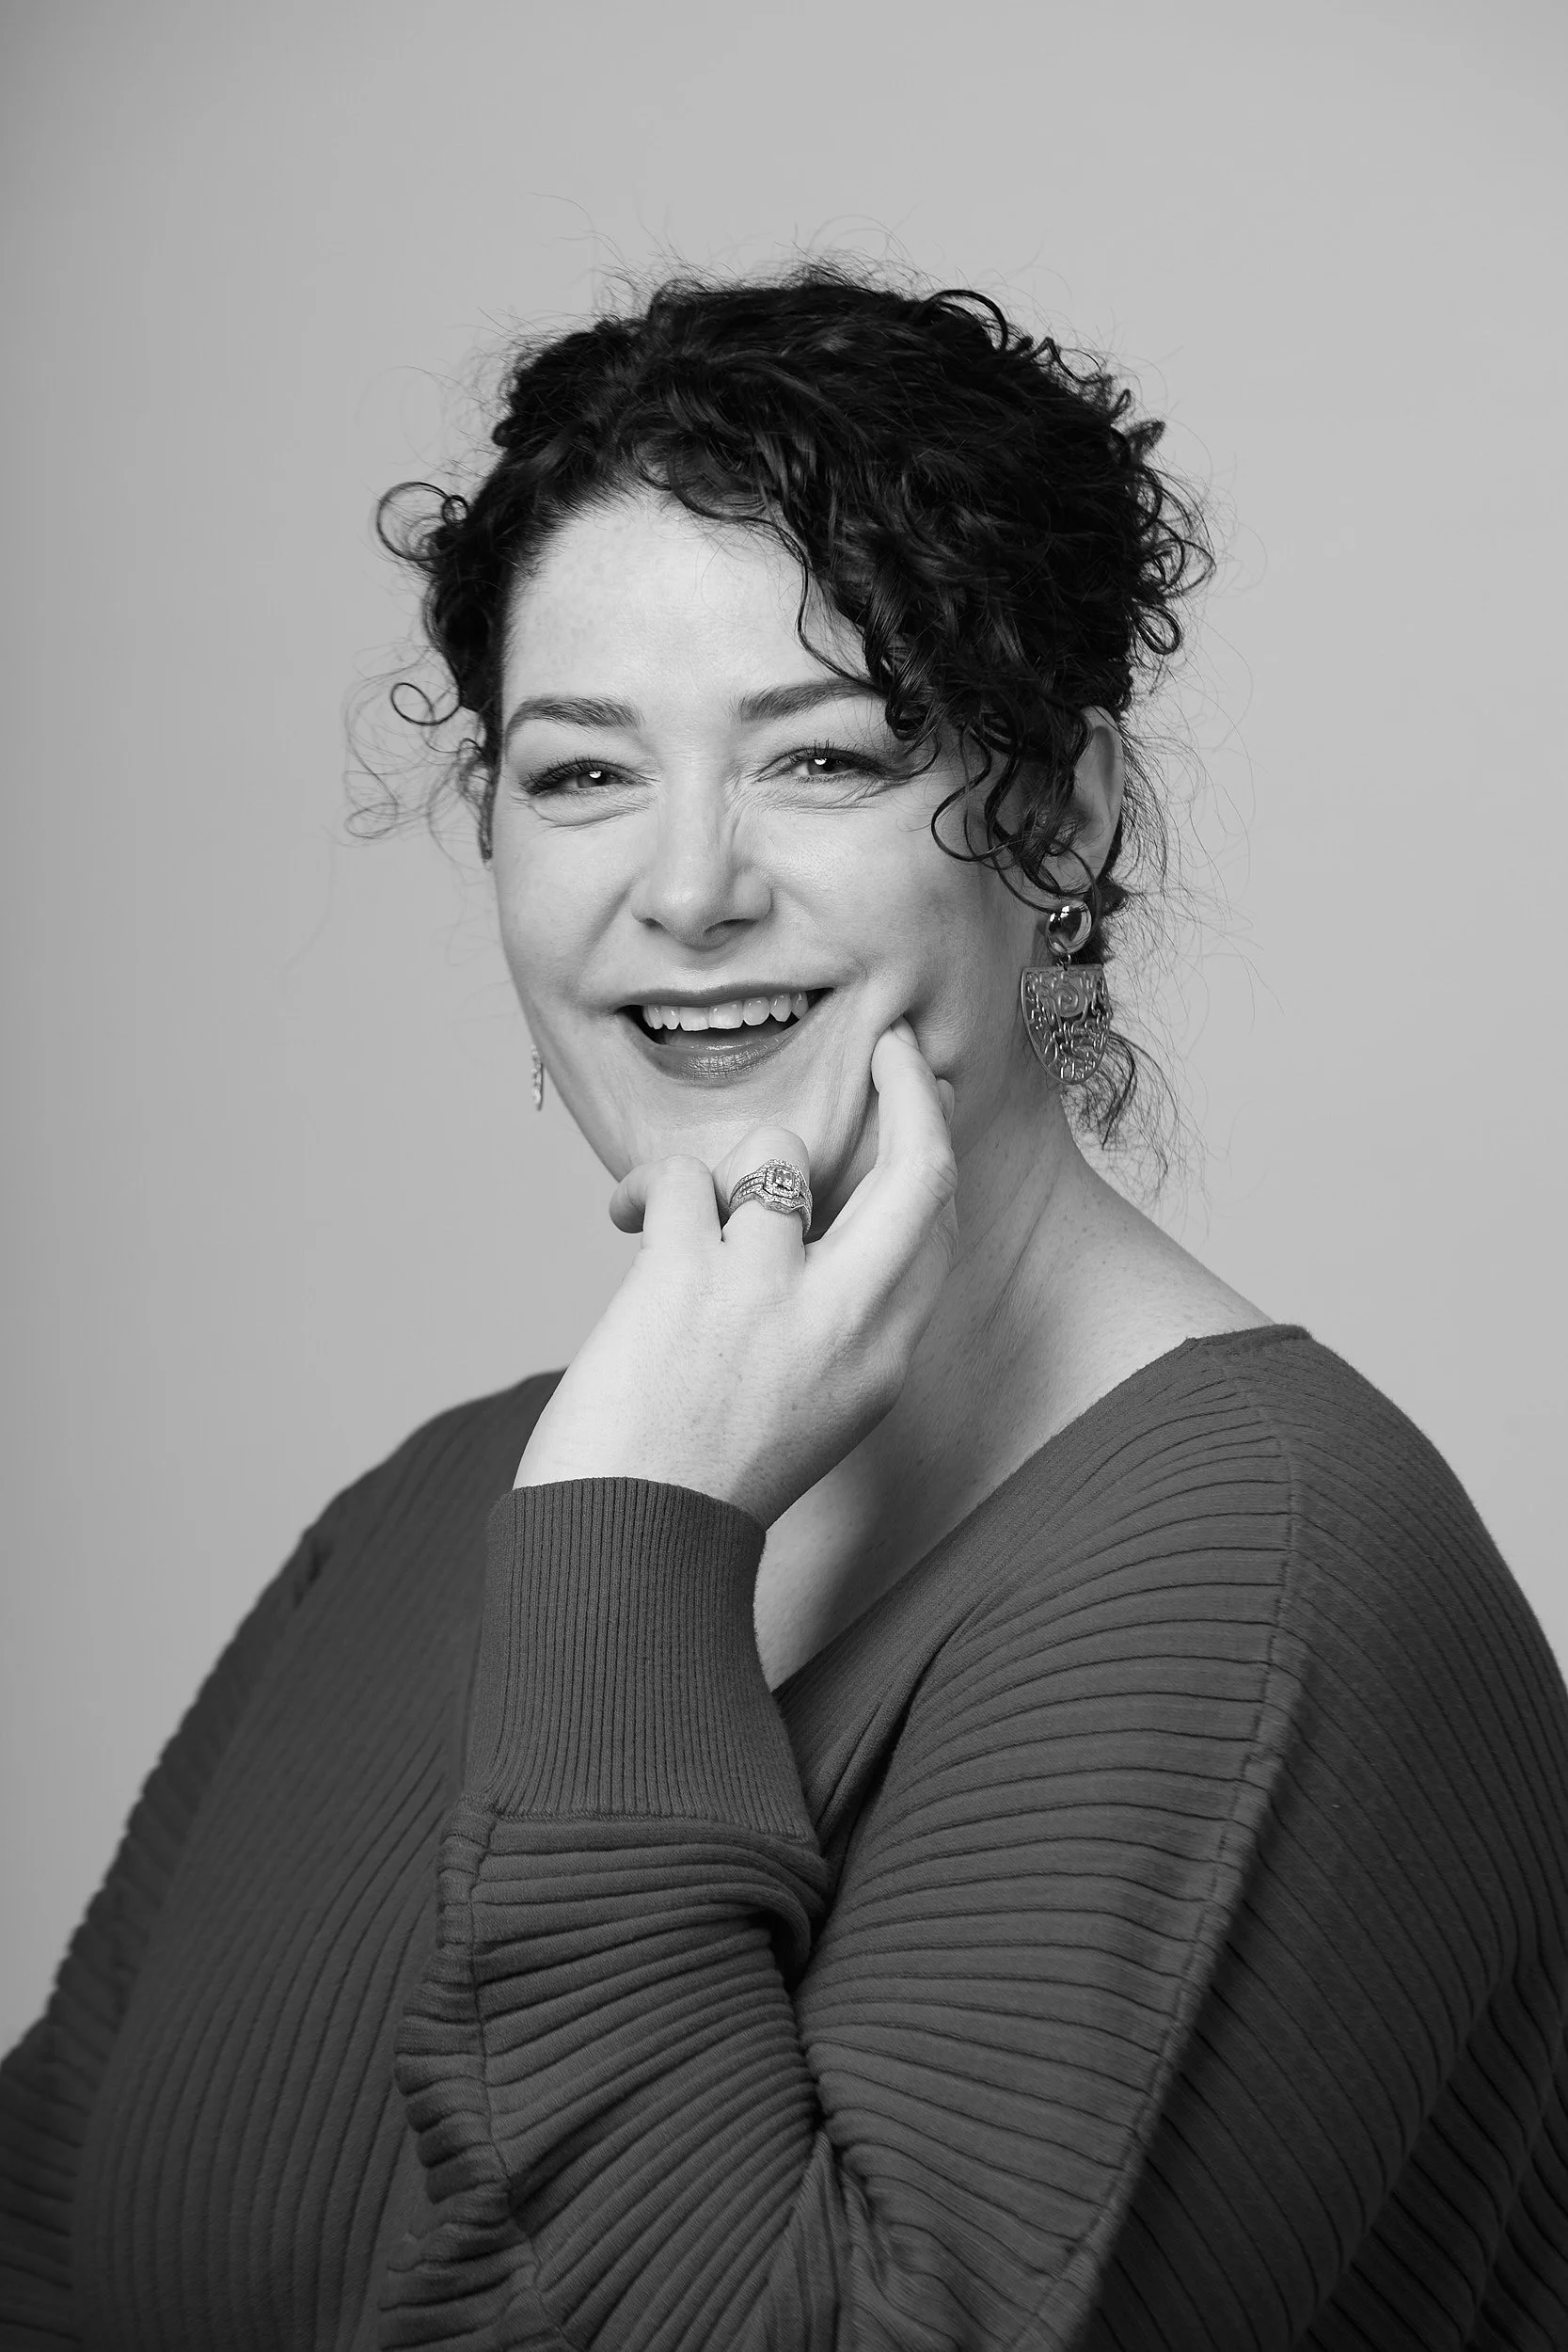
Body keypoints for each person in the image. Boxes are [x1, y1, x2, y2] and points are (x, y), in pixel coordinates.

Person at [2, 262, 1564, 2352]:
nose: (686, 885)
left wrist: (638, 1562)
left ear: (1061, 815)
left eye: (818, 756)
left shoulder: (1267, 1558)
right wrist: (618, 1519)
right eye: (577, 775)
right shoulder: (444, 1503)